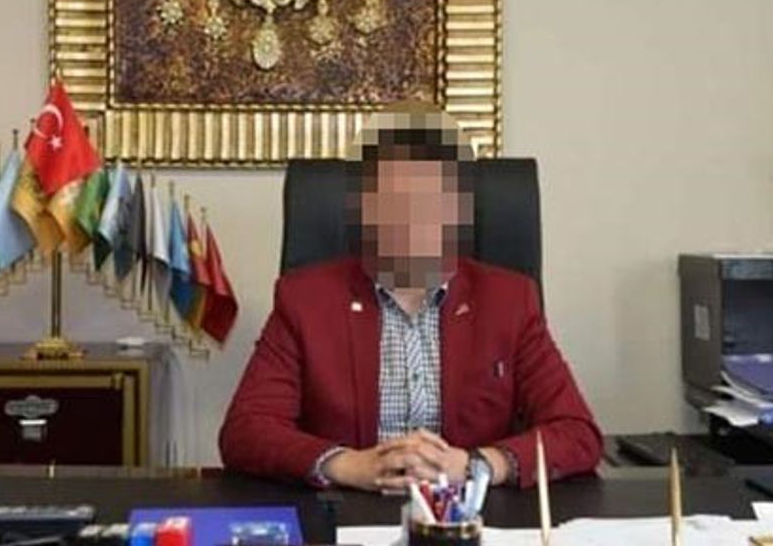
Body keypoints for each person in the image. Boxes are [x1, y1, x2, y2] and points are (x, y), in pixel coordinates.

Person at [219, 107, 602, 490]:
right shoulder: (305, 300)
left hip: (468, 513)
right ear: (364, 208)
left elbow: (576, 433)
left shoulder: (509, 301)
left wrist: (475, 466)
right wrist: (347, 465)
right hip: (351, 509)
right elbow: (246, 430)